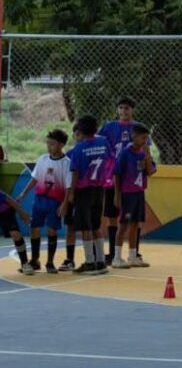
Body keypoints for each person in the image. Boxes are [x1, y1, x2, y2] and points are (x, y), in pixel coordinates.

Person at [17, 129, 72, 274]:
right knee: (34, 227)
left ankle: (50, 262)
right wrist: (23, 193)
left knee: (51, 230)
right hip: (40, 200)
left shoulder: (66, 163)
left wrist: (65, 204)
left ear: (61, 145)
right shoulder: (43, 159)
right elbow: (35, 178)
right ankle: (35, 260)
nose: (48, 146)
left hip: (55, 202)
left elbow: (69, 187)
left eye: (52, 144)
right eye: (47, 143)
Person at [65, 115, 113, 275]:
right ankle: (101, 262)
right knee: (96, 225)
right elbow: (110, 160)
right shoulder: (103, 142)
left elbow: (75, 172)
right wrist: (105, 177)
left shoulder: (79, 148)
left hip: (84, 190)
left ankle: (90, 263)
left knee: (85, 228)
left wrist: (72, 192)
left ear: (81, 130)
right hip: (99, 188)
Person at [99, 97, 143, 265]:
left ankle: (135, 252)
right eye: (121, 108)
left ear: (133, 110)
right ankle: (112, 253)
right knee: (112, 214)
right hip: (112, 177)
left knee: (134, 218)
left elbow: (145, 150)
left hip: (132, 179)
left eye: (127, 108)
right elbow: (99, 144)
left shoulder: (137, 128)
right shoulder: (109, 127)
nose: (124, 111)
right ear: (117, 110)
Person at [111, 124, 156, 269]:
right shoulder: (125, 153)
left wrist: (147, 156)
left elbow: (150, 172)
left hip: (138, 192)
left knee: (136, 225)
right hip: (127, 193)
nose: (145, 141)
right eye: (143, 138)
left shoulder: (144, 153)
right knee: (123, 225)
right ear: (134, 137)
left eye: (146, 138)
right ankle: (116, 257)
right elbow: (117, 174)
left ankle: (132, 255)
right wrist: (117, 195)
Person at [58, 125, 83, 272]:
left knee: (89, 226)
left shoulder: (89, 151)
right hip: (72, 194)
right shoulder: (69, 155)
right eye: (77, 134)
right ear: (74, 136)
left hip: (86, 193)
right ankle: (70, 259)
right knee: (70, 226)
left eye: (82, 134)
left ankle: (93, 258)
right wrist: (67, 198)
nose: (80, 137)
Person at [0, 189, 33, 275]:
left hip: (4, 211)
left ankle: (25, 264)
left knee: (16, 234)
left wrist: (22, 213)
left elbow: (10, 200)